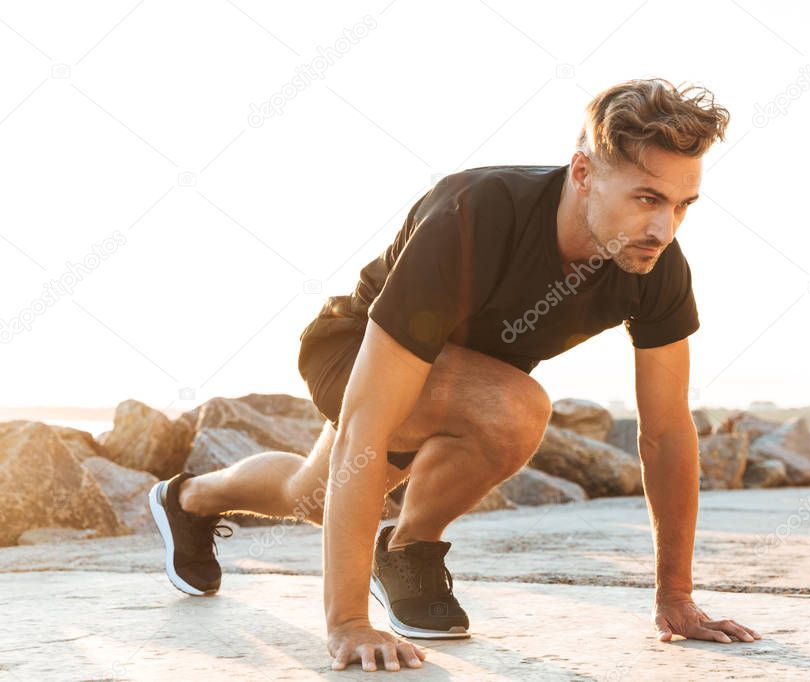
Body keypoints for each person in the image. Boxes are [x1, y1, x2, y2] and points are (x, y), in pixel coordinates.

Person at [148, 77, 762, 673]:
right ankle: (406, 551)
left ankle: (190, 498)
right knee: (515, 408)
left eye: (683, 205)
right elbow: (366, 426)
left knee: (310, 494)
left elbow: (666, 432)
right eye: (647, 198)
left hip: (471, 380)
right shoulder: (477, 212)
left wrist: (675, 597)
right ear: (582, 173)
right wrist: (348, 623)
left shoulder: (655, 263)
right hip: (357, 346)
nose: (664, 227)